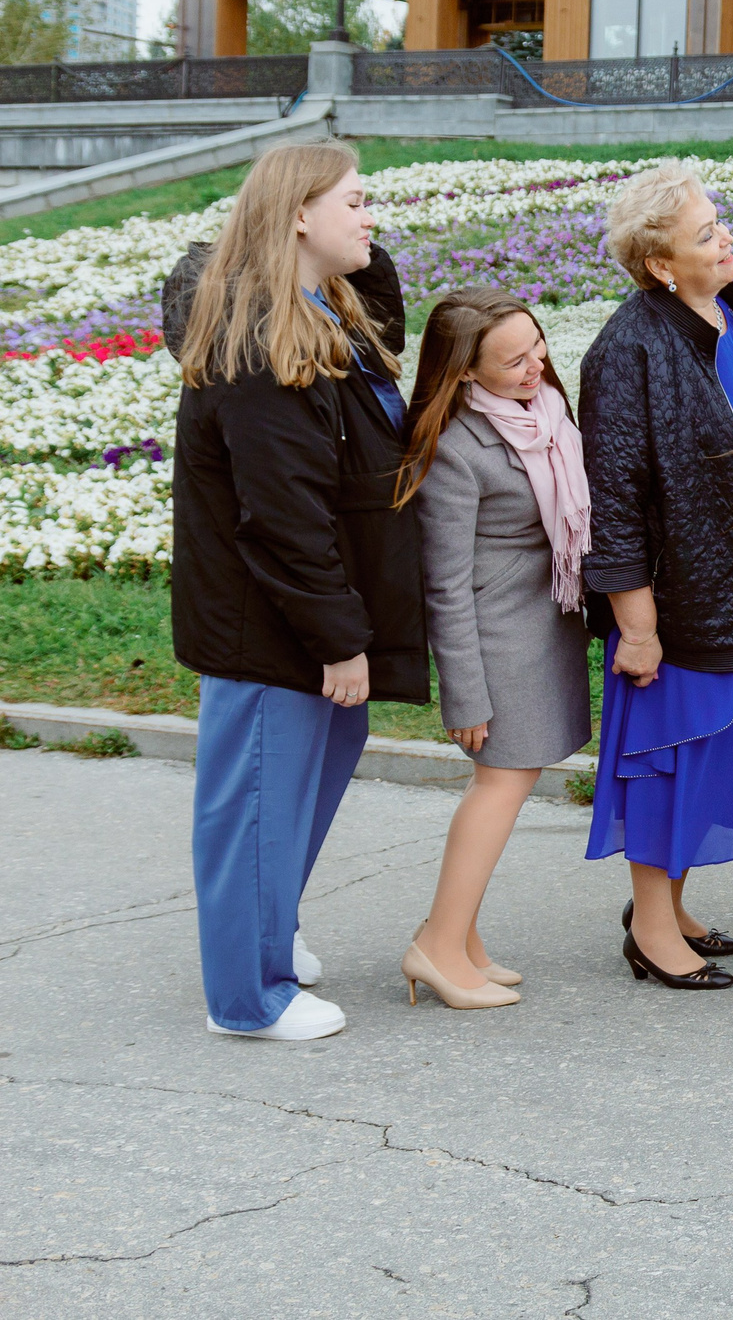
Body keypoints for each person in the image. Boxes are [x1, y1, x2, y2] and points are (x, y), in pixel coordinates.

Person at [170, 139, 425, 1041]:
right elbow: (281, 513)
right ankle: (247, 996)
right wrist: (336, 636)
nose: (371, 216)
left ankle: (267, 934)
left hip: (309, 612)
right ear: (297, 215)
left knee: (292, 792)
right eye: (354, 200)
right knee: (255, 803)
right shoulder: (259, 339)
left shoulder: (324, 311)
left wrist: (349, 242)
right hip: (268, 621)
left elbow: (385, 311)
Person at [578, 164, 733, 992]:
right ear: (658, 265)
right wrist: (636, 625)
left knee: (712, 752)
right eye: (707, 233)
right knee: (668, 753)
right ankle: (649, 928)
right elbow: (615, 497)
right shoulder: (627, 349)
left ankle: (670, 903)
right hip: (683, 599)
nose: (727, 239)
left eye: (720, 222)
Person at [394, 288, 593, 1011]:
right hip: (497, 645)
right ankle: (438, 948)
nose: (534, 365)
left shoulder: (545, 418)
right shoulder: (453, 446)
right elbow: (443, 587)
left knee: (508, 784)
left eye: (536, 346)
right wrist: (465, 693)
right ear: (465, 372)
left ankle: (459, 939)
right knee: (500, 786)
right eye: (511, 360)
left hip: (541, 632)